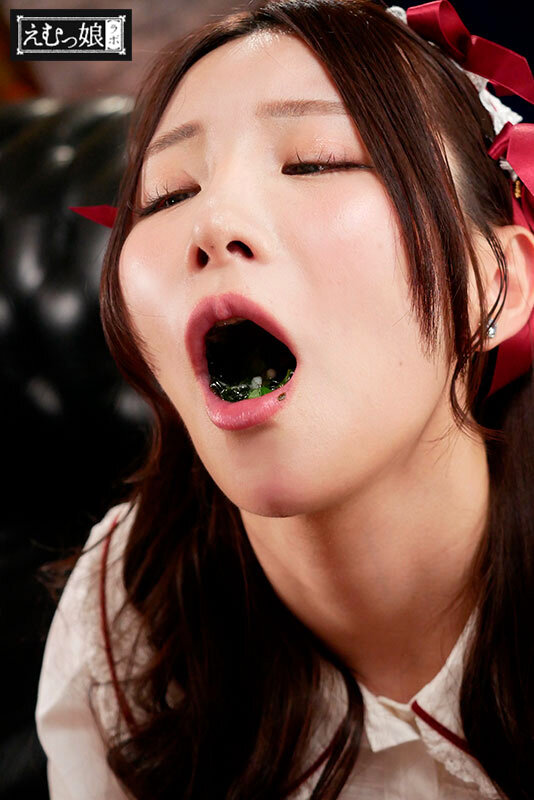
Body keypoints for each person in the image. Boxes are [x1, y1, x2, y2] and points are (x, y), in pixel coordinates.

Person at [35, 0, 534, 798]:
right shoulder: (128, 617)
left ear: (493, 284)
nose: (213, 221)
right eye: (168, 194)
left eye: (315, 162)